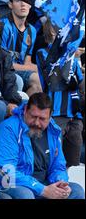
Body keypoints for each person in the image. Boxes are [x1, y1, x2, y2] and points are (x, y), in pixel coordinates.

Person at [0, 92, 85, 199]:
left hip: (42, 184)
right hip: (10, 183)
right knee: (25, 195)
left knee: (76, 191)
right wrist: (42, 189)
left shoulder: (53, 131)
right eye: (33, 117)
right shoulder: (8, 129)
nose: (37, 123)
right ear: (25, 111)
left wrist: (61, 183)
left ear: (50, 115)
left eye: (42, 119)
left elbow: (58, 165)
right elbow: (7, 170)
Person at [36, 20, 84, 167]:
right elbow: (54, 78)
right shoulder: (43, 54)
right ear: (53, 32)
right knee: (54, 161)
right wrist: (70, 55)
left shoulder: (72, 57)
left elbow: (79, 83)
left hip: (74, 116)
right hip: (55, 114)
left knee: (73, 164)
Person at [1, 0, 41, 96]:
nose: (23, 4)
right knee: (37, 78)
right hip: (4, 70)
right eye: (18, 1)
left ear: (30, 5)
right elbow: (3, 63)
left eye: (26, 1)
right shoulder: (3, 25)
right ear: (10, 4)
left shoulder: (32, 30)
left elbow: (26, 62)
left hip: (20, 70)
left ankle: (23, 110)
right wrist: (36, 68)